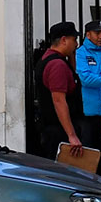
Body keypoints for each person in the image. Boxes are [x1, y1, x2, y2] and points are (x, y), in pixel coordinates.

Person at [74, 20, 101, 179]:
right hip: (88, 114)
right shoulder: (81, 53)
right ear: (88, 34)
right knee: (90, 153)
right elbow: (86, 79)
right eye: (97, 33)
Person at [33, 21, 84, 159]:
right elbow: (59, 101)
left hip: (52, 128)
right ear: (63, 40)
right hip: (58, 132)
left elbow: (71, 75)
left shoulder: (48, 59)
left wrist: (72, 56)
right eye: (74, 40)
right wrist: (72, 135)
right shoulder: (57, 65)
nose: (76, 44)